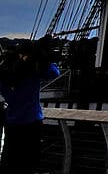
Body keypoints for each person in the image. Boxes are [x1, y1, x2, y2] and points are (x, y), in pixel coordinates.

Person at [0, 40, 59, 174]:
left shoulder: (4, 75)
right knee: (29, 163)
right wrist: (40, 59)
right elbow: (54, 72)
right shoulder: (33, 73)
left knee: (11, 161)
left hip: (13, 123)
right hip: (32, 121)